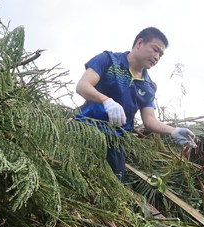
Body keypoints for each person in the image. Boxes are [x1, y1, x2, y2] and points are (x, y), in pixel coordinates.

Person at [75, 27, 195, 180]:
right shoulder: (109, 60)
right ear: (139, 43)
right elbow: (83, 86)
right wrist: (106, 101)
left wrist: (173, 131)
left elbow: (149, 120)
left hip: (116, 143)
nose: (157, 57)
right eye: (155, 49)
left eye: (161, 54)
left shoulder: (148, 85)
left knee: (109, 192)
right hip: (85, 130)